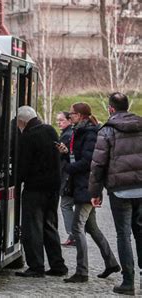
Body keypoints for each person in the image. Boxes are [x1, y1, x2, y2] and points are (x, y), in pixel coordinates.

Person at [56, 102, 120, 283]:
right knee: (91, 227)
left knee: (77, 228)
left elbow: (87, 162)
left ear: (81, 116)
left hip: (88, 187)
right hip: (84, 186)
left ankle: (82, 271)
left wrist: (68, 167)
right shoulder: (82, 131)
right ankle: (111, 262)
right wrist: (65, 153)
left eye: (72, 114)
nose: (70, 117)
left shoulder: (91, 133)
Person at [89, 92, 142, 295]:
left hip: (120, 191)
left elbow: (98, 164)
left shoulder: (107, 131)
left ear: (111, 108)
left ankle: (128, 282)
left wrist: (95, 192)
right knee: (140, 232)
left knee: (124, 234)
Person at [15, 106, 68, 278]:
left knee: (33, 228)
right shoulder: (50, 130)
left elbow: (23, 166)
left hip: (35, 189)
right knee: (50, 226)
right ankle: (58, 265)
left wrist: (16, 181)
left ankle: (36, 266)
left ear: (22, 122)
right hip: (53, 187)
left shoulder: (28, 137)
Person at [56, 111, 75, 246]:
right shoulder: (67, 134)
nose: (59, 123)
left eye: (61, 120)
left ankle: (73, 234)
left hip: (68, 176)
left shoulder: (67, 135)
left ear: (69, 120)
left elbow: (68, 157)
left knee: (65, 205)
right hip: (68, 175)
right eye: (58, 120)